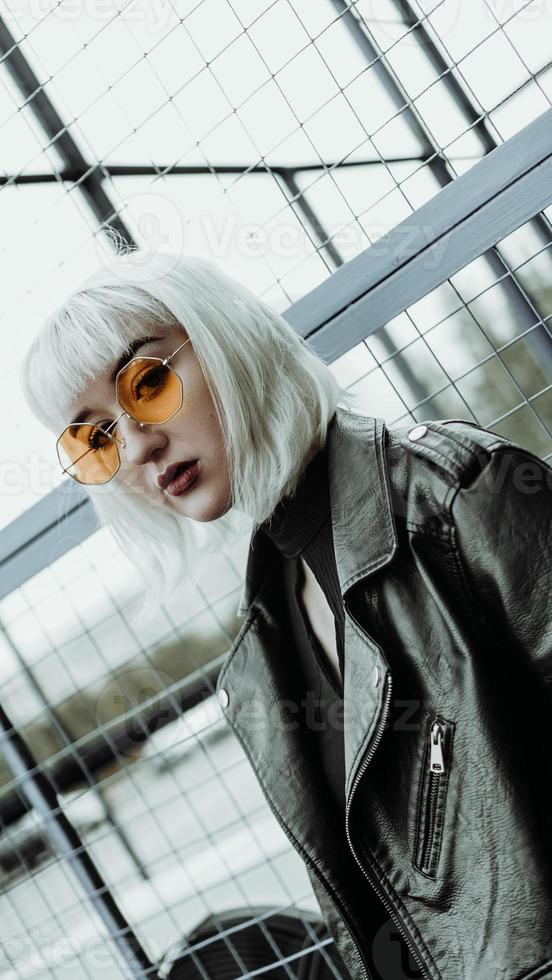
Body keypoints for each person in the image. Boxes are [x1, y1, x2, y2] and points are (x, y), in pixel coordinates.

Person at [21, 247, 552, 980]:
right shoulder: (267, 635)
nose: (138, 444)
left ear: (226, 337)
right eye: (97, 435)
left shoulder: (450, 498)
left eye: (148, 383)